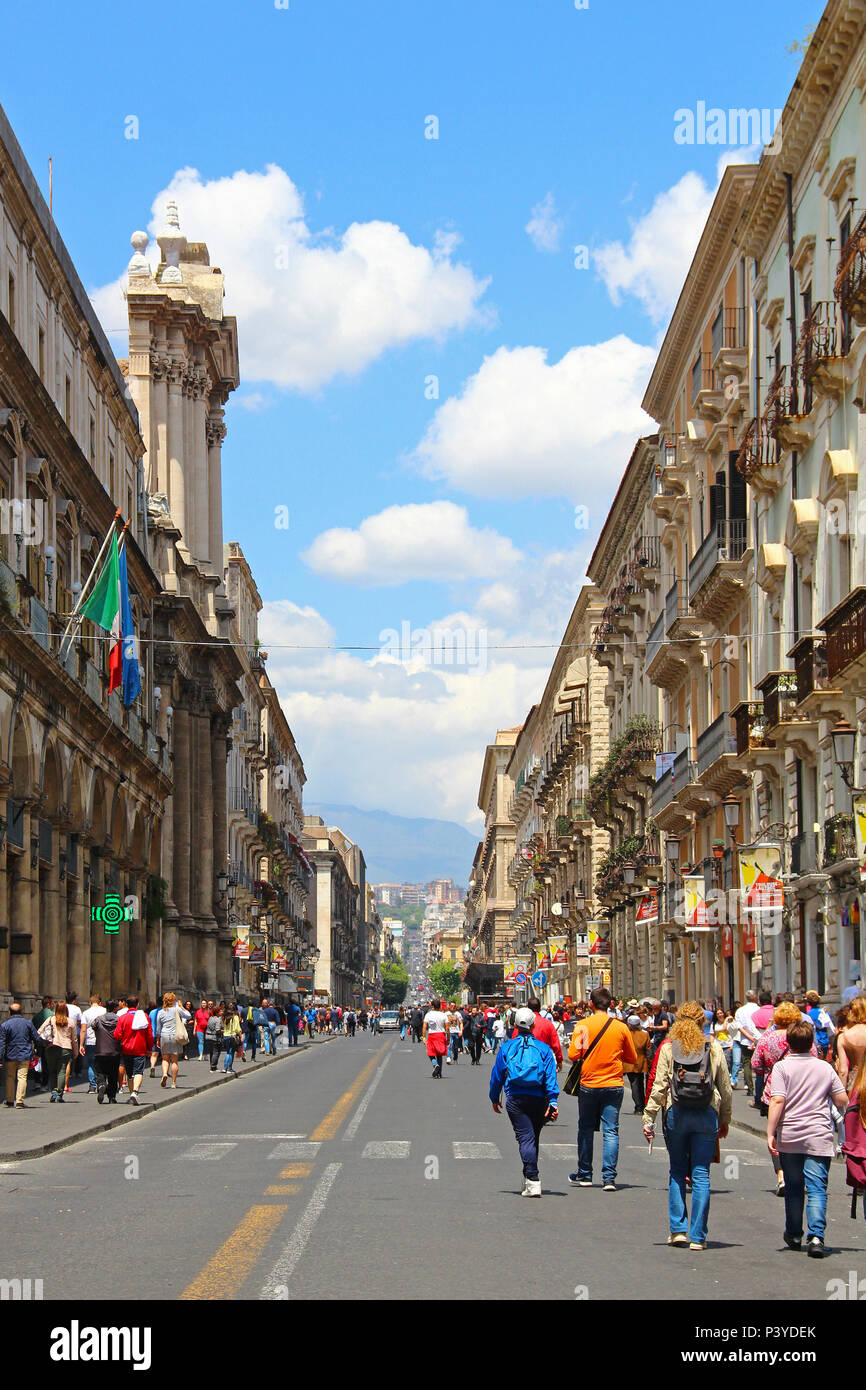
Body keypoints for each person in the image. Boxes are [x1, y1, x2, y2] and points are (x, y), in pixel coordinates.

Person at [642, 999, 732, 1251]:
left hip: (677, 1113)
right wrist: (724, 1119)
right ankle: (698, 1236)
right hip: (706, 1113)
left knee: (677, 1170)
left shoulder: (670, 1048)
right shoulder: (712, 1047)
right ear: (702, 1022)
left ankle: (678, 1230)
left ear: (678, 1020)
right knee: (701, 1173)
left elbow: (659, 1085)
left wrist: (648, 1118)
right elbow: (725, 1087)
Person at [768, 1018, 850, 1256]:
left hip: (791, 1135)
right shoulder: (824, 1067)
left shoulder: (782, 1067)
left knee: (794, 1187)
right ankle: (816, 1236)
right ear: (812, 1042)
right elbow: (841, 1100)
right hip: (818, 1135)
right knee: (816, 1188)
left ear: (789, 1042)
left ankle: (794, 1233)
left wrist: (770, 1132)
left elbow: (777, 1100)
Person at [567, 986, 637, 1192]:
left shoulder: (583, 1026)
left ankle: (585, 1174)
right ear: (611, 1004)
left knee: (586, 1128)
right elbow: (631, 1057)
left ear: (591, 1004)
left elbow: (573, 1054)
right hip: (614, 1084)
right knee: (611, 1131)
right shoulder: (621, 1027)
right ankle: (609, 1178)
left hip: (589, 1083)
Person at [489, 1005, 559, 1197]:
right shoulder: (543, 1049)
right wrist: (553, 1101)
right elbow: (550, 1077)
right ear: (533, 1024)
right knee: (532, 1137)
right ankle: (528, 1177)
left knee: (525, 1138)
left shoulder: (507, 1047)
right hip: (539, 1099)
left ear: (514, 1025)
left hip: (515, 1098)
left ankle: (533, 1179)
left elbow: (497, 1076)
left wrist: (495, 1098)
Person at [113, 996, 154, 1105]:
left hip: (126, 1049)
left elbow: (117, 1035)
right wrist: (149, 1048)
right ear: (137, 1004)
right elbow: (149, 1034)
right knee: (139, 1072)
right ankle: (135, 1092)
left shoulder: (122, 1018)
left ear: (126, 1004)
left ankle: (132, 1094)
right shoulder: (144, 1016)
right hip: (140, 1049)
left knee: (130, 1073)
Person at [0, 1002, 40, 1108]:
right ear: (22, 1012)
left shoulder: (4, 1025)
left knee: (9, 1077)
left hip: (10, 1055)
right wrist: (37, 1050)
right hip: (24, 1054)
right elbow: (36, 1038)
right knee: (22, 1077)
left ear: (9, 1012)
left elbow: (1, 1043)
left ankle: (9, 1100)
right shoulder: (27, 1023)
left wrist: (0, 1059)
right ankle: (19, 1101)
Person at [38, 1001, 79, 1103]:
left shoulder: (51, 1019)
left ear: (56, 1009)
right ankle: (59, 1095)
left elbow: (39, 1031)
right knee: (62, 1071)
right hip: (66, 1048)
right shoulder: (70, 1022)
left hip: (51, 1048)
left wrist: (44, 1041)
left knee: (52, 1071)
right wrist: (75, 1051)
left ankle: (53, 1092)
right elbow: (74, 1039)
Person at [510, 997, 563, 1069]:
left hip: (524, 1062)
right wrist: (559, 1060)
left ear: (528, 1008)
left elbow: (514, 1041)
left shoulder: (522, 1024)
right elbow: (556, 1044)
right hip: (543, 1062)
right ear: (539, 1008)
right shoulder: (547, 1024)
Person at [155, 992, 191, 1089]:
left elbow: (158, 1028)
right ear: (173, 1000)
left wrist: (158, 1039)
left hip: (164, 1035)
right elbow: (188, 1016)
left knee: (165, 1058)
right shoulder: (177, 1009)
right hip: (175, 1036)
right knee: (174, 1061)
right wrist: (182, 1006)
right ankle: (173, 1083)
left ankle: (164, 1074)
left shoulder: (160, 1012)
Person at [92, 1000, 123, 1103]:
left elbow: (94, 1028)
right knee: (113, 1074)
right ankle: (112, 1097)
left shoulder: (99, 1019)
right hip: (114, 1051)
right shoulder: (119, 1020)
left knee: (100, 1071)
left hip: (101, 1050)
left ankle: (101, 1084)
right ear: (115, 1008)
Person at [732, 990, 760, 1093]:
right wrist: (754, 1038)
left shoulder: (740, 1010)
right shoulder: (758, 1009)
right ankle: (759, 1087)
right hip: (758, 1040)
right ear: (755, 998)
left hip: (745, 1040)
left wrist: (749, 1037)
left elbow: (739, 1026)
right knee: (759, 1064)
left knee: (746, 1064)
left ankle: (750, 1088)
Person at [78, 995, 106, 1095]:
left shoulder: (86, 1013)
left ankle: (92, 1086)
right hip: (103, 1041)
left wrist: (81, 1044)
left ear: (90, 1003)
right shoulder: (104, 1011)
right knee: (102, 1063)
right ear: (99, 1002)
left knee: (91, 1063)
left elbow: (83, 1029)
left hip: (90, 1041)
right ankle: (102, 1083)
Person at [835, 995, 866, 1085]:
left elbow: (843, 1071)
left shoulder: (843, 1037)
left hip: (855, 1082)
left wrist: (842, 1093)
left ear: (851, 1012)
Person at [623, 1013, 650, 1114]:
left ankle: (639, 1107)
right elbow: (648, 1050)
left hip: (629, 1063)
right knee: (640, 1083)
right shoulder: (644, 1034)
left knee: (634, 1084)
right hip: (641, 1063)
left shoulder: (626, 1035)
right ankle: (642, 1105)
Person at [63, 990, 84, 1093]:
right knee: (69, 1061)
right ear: (74, 1000)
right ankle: (65, 1085)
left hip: (60, 1036)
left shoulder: (61, 1007)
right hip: (73, 1035)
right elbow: (80, 1022)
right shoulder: (77, 1009)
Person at [423, 999, 448, 1078]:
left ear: (432, 1006)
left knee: (431, 1053)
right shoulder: (443, 1015)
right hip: (441, 1035)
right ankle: (439, 1073)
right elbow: (447, 1028)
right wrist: (448, 1038)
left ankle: (435, 1064)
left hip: (432, 1035)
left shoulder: (429, 1014)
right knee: (439, 1055)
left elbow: (424, 1026)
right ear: (440, 1006)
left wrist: (424, 1037)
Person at [221, 1003, 243, 1072]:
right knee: (231, 1052)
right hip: (232, 1036)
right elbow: (237, 1028)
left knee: (228, 1052)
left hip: (226, 1036)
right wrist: (241, 1036)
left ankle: (225, 1068)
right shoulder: (235, 1017)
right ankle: (229, 1068)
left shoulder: (224, 1017)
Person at [712, 1008, 734, 1073]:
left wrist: (732, 1045)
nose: (719, 1015)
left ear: (723, 1014)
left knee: (728, 1062)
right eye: (718, 1014)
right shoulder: (714, 1025)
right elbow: (712, 1035)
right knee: (718, 1063)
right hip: (718, 1046)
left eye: (721, 1013)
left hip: (727, 1045)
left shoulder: (729, 1023)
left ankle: (728, 1075)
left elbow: (733, 1034)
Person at [205, 1006, 224, 1070]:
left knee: (211, 1052)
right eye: (221, 1011)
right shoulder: (218, 1020)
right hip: (215, 1037)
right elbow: (217, 1030)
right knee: (216, 1052)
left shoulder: (210, 1018)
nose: (222, 1012)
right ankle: (213, 1066)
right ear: (217, 1012)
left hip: (208, 1036)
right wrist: (224, 1031)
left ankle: (212, 1065)